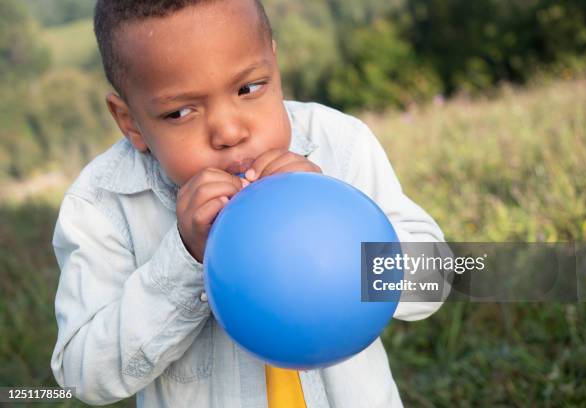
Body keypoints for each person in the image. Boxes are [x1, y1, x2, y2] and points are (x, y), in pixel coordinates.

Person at [50, 0, 446, 406]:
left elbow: (439, 279)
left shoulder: (339, 142)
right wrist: (185, 260)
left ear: (274, 64)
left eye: (248, 88)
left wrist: (336, 221)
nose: (229, 131)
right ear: (130, 121)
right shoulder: (102, 205)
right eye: (181, 112)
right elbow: (84, 377)